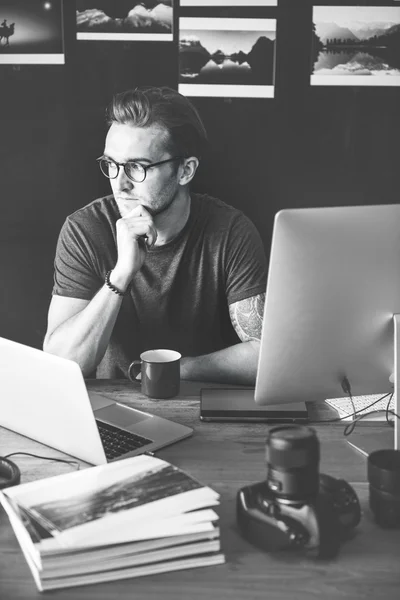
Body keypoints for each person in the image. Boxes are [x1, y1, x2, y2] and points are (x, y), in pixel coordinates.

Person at [43, 86, 267, 384]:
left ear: (185, 170)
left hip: (201, 401)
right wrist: (121, 274)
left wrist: (176, 370)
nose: (119, 184)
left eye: (136, 167)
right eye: (111, 164)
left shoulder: (230, 232)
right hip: (114, 408)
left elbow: (266, 354)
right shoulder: (85, 229)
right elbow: (60, 364)